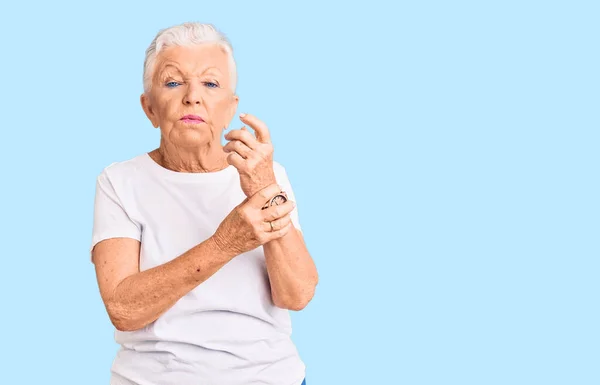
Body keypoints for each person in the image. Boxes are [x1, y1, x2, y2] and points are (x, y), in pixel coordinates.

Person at [90, 22, 318, 385]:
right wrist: (224, 244)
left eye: (210, 84)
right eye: (173, 82)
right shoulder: (120, 181)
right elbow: (124, 309)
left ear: (231, 108)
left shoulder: (266, 174)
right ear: (149, 108)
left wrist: (264, 186)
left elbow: (297, 294)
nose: (192, 97)